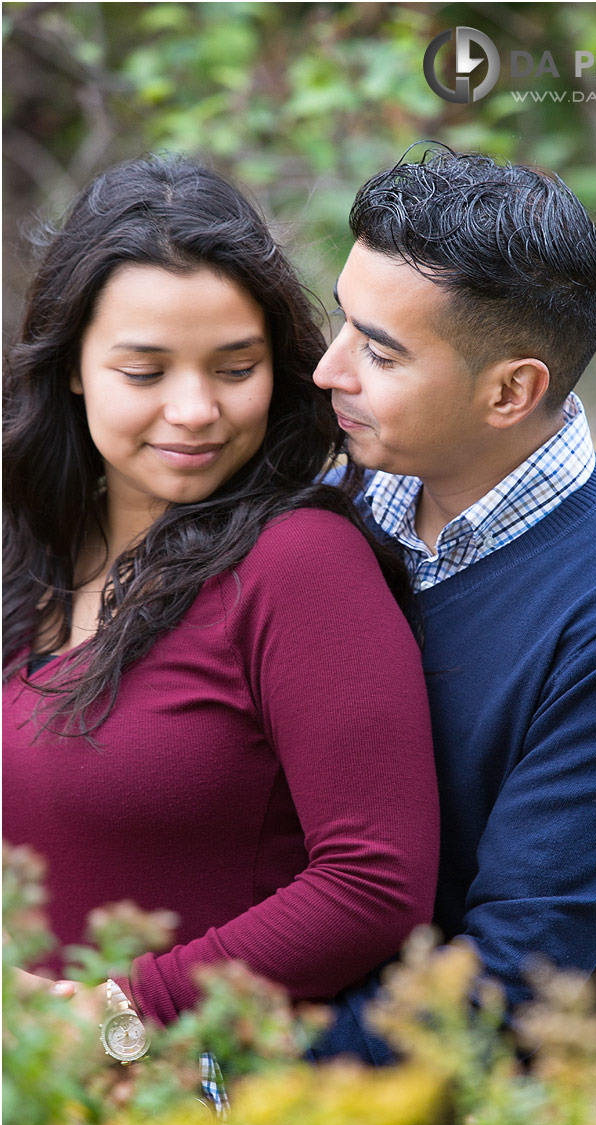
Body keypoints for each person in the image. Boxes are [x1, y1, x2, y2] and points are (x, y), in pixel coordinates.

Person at [2, 155, 440, 1070]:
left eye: (234, 368)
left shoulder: (297, 564)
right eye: (144, 370)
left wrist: (120, 1018)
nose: (195, 410)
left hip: (199, 1121)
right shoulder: (28, 548)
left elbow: (375, 882)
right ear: (75, 368)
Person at [312, 148, 596, 1070]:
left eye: (379, 352)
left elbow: (513, 972)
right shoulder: (342, 491)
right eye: (343, 323)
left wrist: (237, 1078)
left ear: (510, 391)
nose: (327, 371)